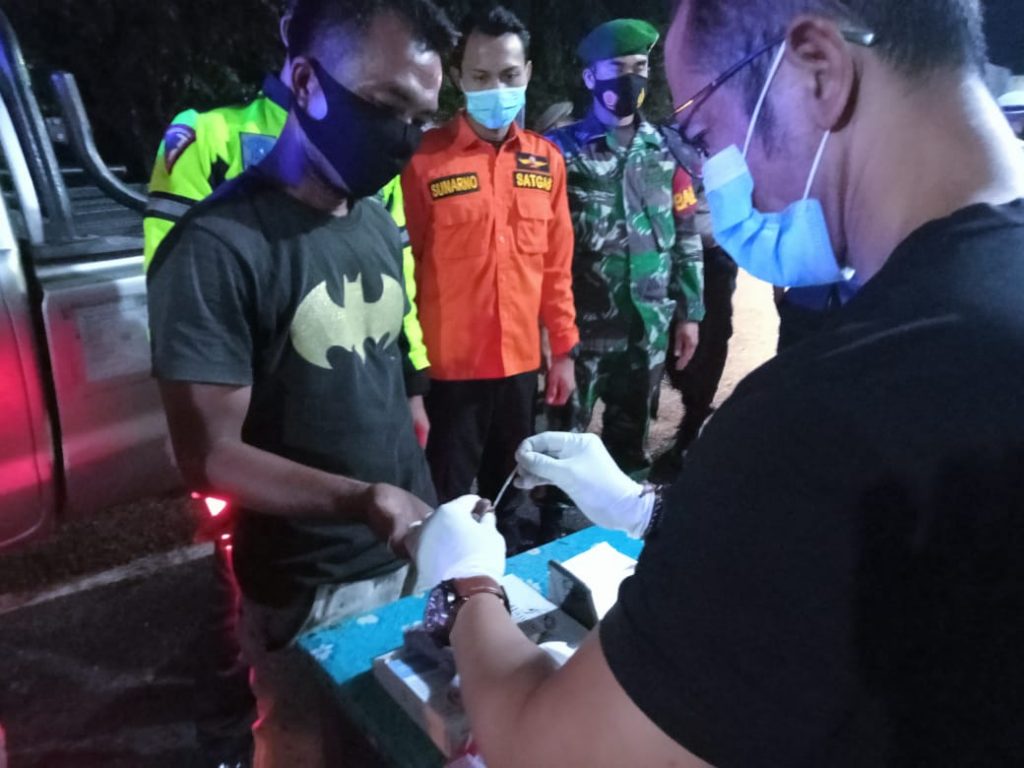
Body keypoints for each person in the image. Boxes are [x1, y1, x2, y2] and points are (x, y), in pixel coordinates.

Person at [411, 0, 1024, 764]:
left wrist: (468, 585)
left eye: (705, 134)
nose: (711, 178)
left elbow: (549, 748)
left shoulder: (830, 410)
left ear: (817, 71)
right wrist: (651, 511)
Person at [147, 0, 457, 764]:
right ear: (306, 81)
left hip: (408, 550)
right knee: (308, 747)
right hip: (310, 586)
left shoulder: (375, 222)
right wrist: (360, 499)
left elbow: (383, 358)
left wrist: (409, 451)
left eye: (421, 118)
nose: (403, 136)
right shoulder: (216, 248)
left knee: (405, 740)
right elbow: (210, 457)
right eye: (386, 104)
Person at [401, 5, 578, 541]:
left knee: (508, 492)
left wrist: (563, 352)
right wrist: (409, 380)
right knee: (445, 502)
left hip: (520, 365)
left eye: (508, 75)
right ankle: (444, 585)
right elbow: (403, 271)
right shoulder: (422, 162)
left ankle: (501, 573)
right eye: (480, 76)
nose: (495, 89)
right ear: (458, 78)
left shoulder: (546, 162)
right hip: (448, 371)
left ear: (527, 73)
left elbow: (556, 266)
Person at [544, 19, 705, 478]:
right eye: (617, 68)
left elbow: (685, 232)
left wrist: (690, 312)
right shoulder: (559, 153)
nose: (630, 78)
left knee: (631, 450)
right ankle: (554, 516)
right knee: (563, 447)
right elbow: (540, 248)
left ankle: (623, 520)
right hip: (581, 331)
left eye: (639, 67)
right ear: (590, 77)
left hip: (646, 327)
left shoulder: (667, 151)